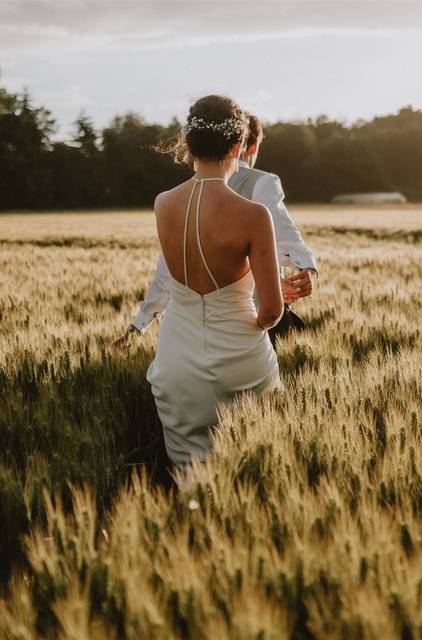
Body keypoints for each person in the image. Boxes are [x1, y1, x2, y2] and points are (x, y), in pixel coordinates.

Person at [141, 95, 284, 470]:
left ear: (187, 145)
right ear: (238, 147)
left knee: (189, 476)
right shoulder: (254, 215)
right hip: (240, 360)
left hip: (176, 361)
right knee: (256, 469)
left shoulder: (163, 203)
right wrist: (250, 323)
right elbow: (271, 310)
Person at [112, 113, 318, 350]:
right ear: (248, 146)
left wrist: (138, 326)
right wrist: (306, 269)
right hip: (252, 327)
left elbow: (166, 271)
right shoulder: (262, 183)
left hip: (193, 335)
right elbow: (284, 240)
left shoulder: (176, 198)